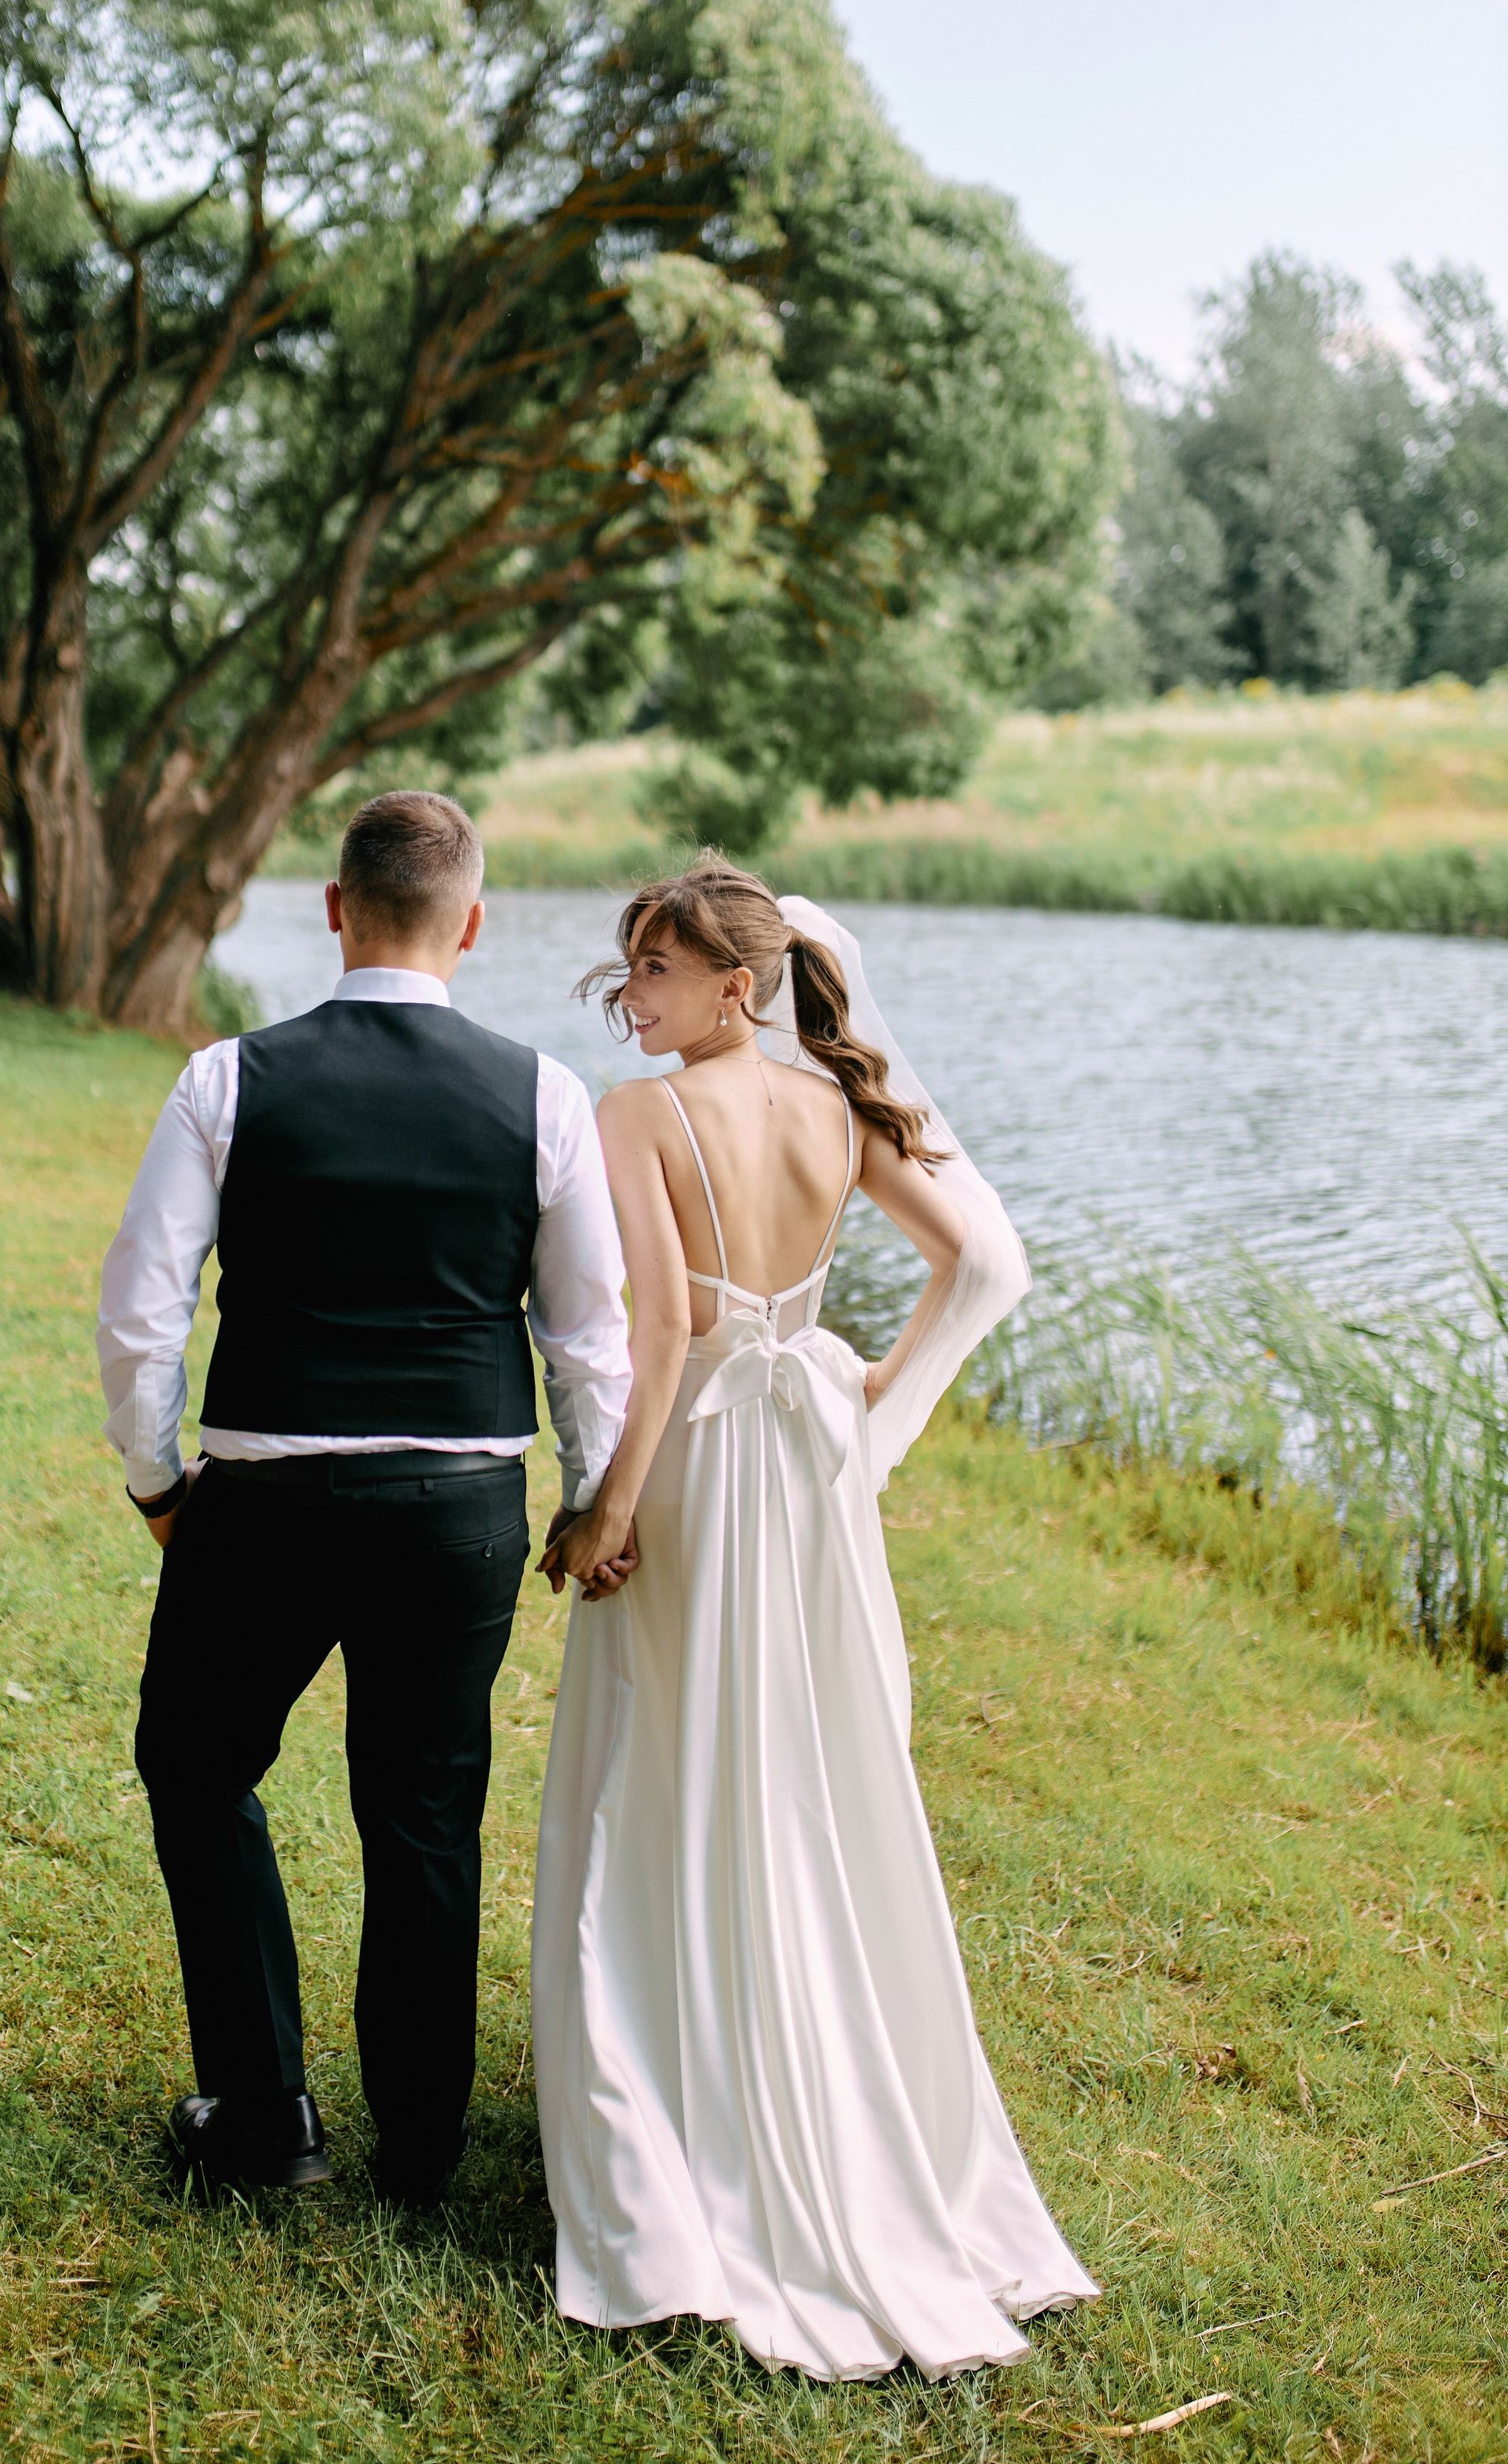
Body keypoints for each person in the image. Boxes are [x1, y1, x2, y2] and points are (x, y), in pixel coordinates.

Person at [531, 857, 1098, 2380]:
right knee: (802, 1769)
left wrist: (606, 1509)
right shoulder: (836, 1112)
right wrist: (873, 1399)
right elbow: (976, 1261)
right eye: (626, 965)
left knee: (661, 1765)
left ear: (738, 985)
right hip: (805, 1469)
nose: (626, 994)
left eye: (655, 970)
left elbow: (657, 1336)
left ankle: (681, 2125)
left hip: (708, 1463)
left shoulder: (634, 1117)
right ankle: (810, 2092)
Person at [99, 791, 630, 2203]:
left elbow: (143, 1313)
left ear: (335, 909)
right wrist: (591, 1496)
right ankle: (419, 2151)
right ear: (472, 922)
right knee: (423, 1817)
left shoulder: (227, 1079)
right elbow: (588, 1337)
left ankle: (266, 2117)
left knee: (199, 1768)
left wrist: (159, 1481)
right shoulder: (545, 1095)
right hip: (457, 1513)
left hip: (263, 1503)